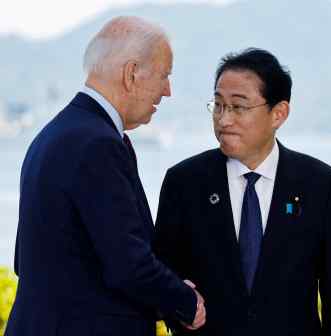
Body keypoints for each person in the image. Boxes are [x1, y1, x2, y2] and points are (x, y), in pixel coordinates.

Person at [6, 16, 206, 336]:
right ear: (131, 74)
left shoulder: (55, 134)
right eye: (164, 76)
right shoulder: (97, 144)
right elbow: (129, 265)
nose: (168, 91)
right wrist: (185, 301)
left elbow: (26, 259)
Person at [153, 48, 331, 335]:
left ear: (278, 113)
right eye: (218, 105)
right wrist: (180, 309)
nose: (224, 119)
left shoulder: (319, 184)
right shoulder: (184, 182)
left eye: (238, 107)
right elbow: (162, 277)